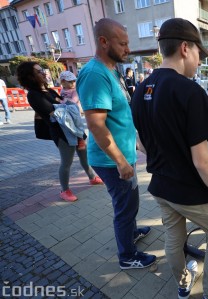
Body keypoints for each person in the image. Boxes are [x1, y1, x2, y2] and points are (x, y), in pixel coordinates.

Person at [132, 18, 208, 299]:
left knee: (173, 236)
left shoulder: (141, 89)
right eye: (198, 54)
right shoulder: (190, 91)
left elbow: (140, 145)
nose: (199, 61)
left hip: (161, 188)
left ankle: (182, 284)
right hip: (190, 191)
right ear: (184, 48)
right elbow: (202, 160)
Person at [76, 18, 155, 270]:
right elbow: (97, 125)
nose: (127, 49)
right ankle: (127, 256)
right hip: (111, 160)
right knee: (125, 206)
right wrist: (121, 161)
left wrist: (137, 143)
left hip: (121, 155)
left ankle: (130, 233)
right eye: (122, 44)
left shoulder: (111, 70)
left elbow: (120, 116)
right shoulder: (94, 75)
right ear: (103, 42)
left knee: (130, 203)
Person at [16, 62, 103, 202]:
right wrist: (64, 105)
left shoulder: (49, 91)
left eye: (42, 70)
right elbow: (56, 112)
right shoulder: (33, 95)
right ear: (30, 76)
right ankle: (64, 190)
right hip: (61, 133)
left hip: (75, 129)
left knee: (84, 156)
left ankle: (92, 177)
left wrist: (63, 105)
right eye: (39, 71)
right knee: (67, 162)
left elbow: (64, 106)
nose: (44, 73)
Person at [59, 71, 85, 150]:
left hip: (75, 111)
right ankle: (73, 139)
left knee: (78, 124)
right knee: (69, 125)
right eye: (70, 82)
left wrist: (62, 101)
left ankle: (81, 140)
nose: (73, 83)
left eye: (74, 81)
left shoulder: (75, 90)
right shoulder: (62, 90)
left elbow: (73, 100)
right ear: (63, 82)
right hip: (66, 111)